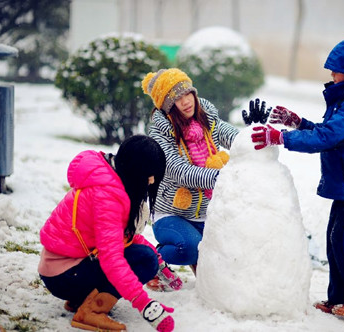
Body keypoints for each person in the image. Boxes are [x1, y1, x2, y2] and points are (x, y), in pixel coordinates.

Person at [251, 39, 344, 319]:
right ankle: (338, 297)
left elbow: (328, 138)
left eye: (336, 70)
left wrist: (281, 137)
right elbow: (327, 131)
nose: (331, 75)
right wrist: (298, 123)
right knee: (334, 238)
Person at [38, 135, 181, 332]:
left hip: (64, 267)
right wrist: (145, 304)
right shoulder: (108, 197)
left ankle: (82, 300)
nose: (152, 181)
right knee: (144, 260)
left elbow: (124, 237)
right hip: (64, 275)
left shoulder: (108, 176)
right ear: (135, 171)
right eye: (149, 175)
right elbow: (111, 259)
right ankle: (91, 312)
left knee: (147, 257)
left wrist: (160, 261)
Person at [141, 68, 239, 277]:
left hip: (206, 212)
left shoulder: (206, 119)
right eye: (178, 98)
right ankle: (153, 259)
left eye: (188, 94)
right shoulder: (161, 133)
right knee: (189, 249)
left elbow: (230, 135)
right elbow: (179, 171)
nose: (186, 101)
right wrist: (221, 177)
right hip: (171, 213)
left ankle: (199, 257)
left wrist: (254, 136)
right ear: (168, 105)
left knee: (231, 250)